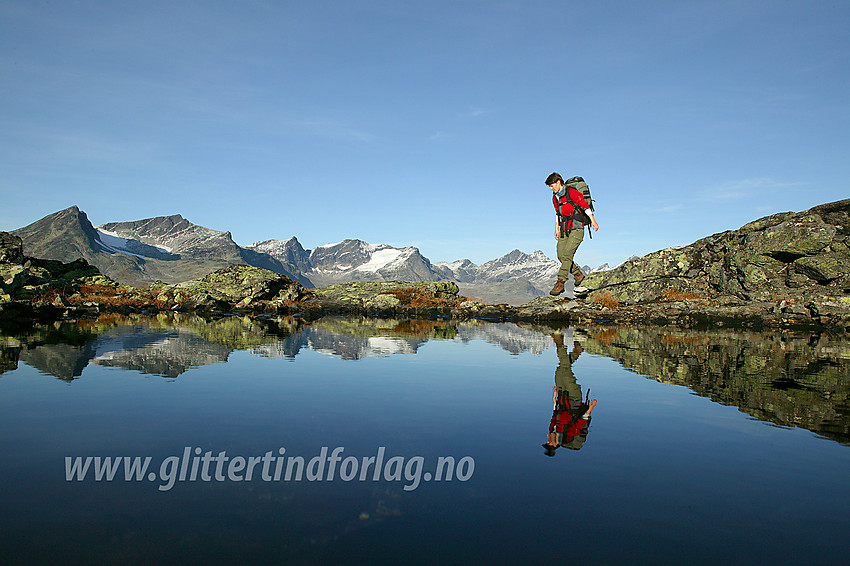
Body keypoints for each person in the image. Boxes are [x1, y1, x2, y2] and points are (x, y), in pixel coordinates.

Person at [542, 332, 597, 456]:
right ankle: (559, 342)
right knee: (565, 369)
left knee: (560, 370)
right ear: (556, 445)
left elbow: (554, 414)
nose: (548, 440)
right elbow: (579, 423)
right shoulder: (566, 435)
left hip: (561, 395)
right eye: (549, 444)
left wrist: (554, 398)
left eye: (547, 442)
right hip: (574, 397)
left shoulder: (552, 429)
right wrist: (590, 408)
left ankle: (577, 350)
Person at [545, 172, 599, 296]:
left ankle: (560, 282)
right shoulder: (555, 197)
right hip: (564, 229)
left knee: (568, 255)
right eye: (549, 186)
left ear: (558, 182)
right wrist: (556, 229)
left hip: (577, 228)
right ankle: (578, 275)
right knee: (561, 255)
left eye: (552, 185)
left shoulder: (572, 192)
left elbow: (585, 206)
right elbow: (558, 214)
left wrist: (593, 221)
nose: (551, 188)